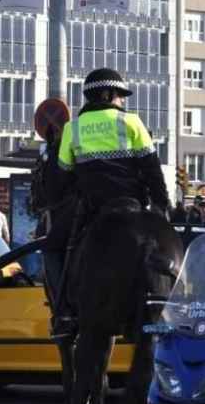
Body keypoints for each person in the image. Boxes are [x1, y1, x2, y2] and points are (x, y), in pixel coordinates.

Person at [52, 67, 169, 336]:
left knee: (54, 248)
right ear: (108, 94)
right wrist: (161, 207)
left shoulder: (73, 128)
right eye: (120, 96)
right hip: (134, 204)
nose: (122, 101)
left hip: (92, 210)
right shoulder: (132, 122)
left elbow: (63, 177)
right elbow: (152, 169)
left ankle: (64, 312)